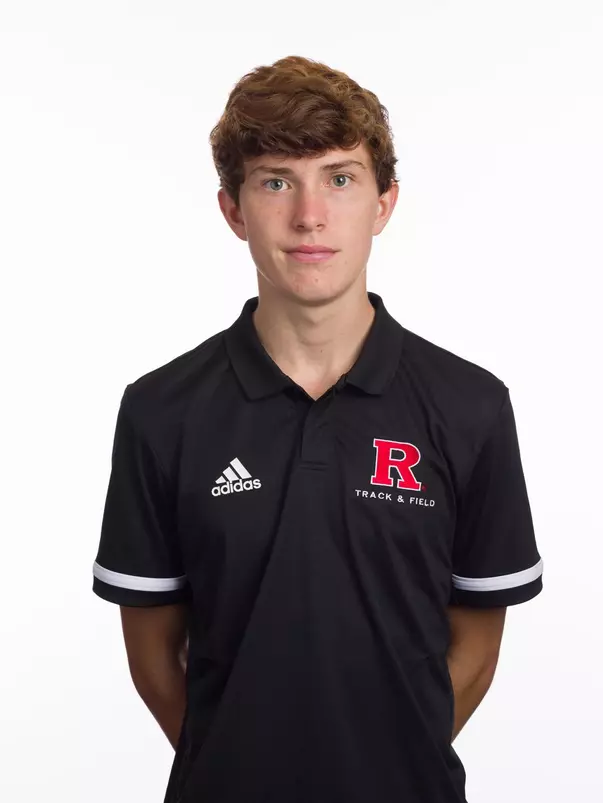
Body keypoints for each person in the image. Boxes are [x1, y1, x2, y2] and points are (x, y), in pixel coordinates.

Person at [91, 55, 544, 803]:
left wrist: (381, 770)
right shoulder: (161, 410)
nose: (309, 216)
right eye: (275, 181)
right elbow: (154, 659)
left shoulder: (470, 406)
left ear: (384, 202)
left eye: (339, 178)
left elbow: (474, 646)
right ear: (233, 209)